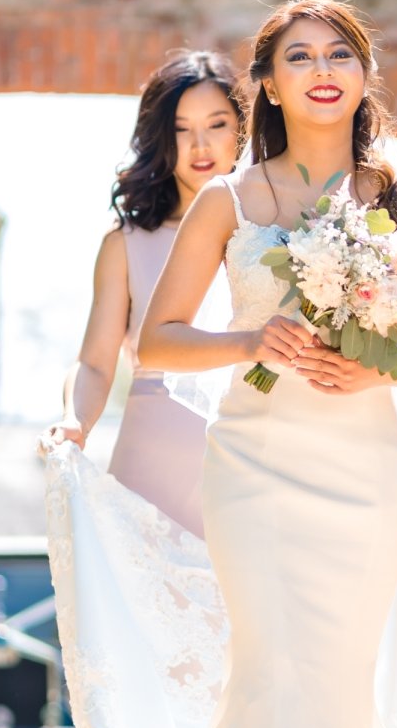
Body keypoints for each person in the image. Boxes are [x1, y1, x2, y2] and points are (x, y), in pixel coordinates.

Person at [45, 0, 397, 728]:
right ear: (267, 84)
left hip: (363, 472)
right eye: (297, 56)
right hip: (254, 473)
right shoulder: (227, 203)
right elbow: (158, 339)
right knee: (278, 668)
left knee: (332, 681)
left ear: (363, 76)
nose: (322, 69)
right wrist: (252, 340)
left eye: (341, 54)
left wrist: (379, 370)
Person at [42, 49, 246, 538]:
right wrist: (75, 421)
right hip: (150, 466)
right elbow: (94, 362)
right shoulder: (126, 243)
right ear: (161, 138)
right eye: (181, 128)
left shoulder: (275, 235)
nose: (200, 144)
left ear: (242, 129)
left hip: (249, 461)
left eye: (217, 124)